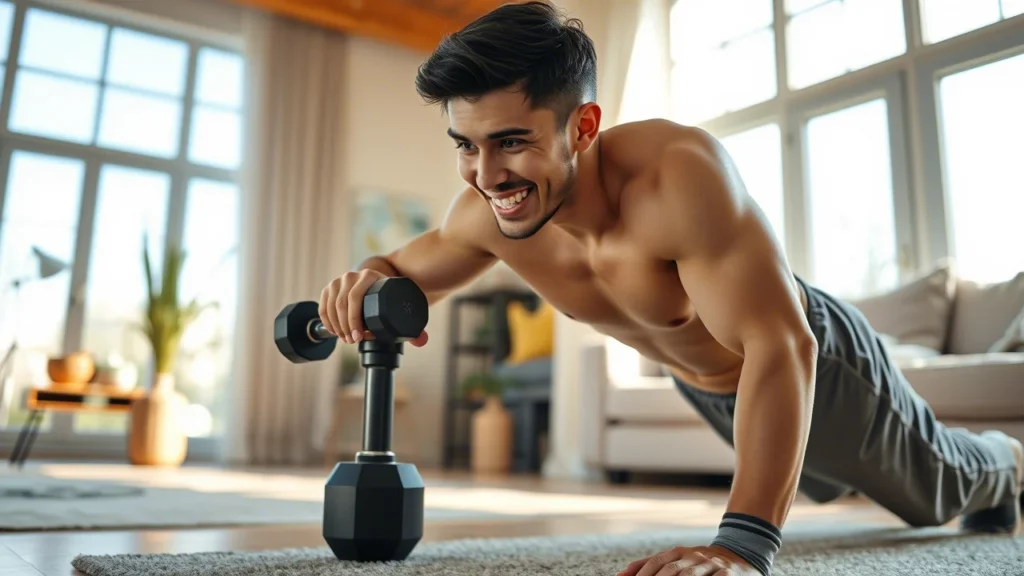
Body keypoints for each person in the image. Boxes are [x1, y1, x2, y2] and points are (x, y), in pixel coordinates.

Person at [317, 2, 1023, 574]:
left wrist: (742, 545)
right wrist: (369, 280)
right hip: (714, 390)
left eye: (511, 141)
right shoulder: (487, 213)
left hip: (815, 363)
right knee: (827, 483)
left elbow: (782, 344)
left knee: (936, 501)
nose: (487, 174)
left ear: (583, 127)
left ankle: (1005, 460)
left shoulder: (678, 176)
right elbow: (408, 267)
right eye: (465, 145)